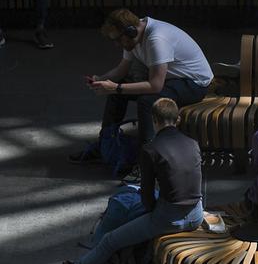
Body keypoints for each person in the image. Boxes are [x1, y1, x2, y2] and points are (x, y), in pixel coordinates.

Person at [37, 99, 204, 264]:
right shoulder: (193, 143)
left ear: (154, 120)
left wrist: (151, 211)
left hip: (168, 219)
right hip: (196, 214)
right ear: (178, 119)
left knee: (110, 240)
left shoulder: (151, 150)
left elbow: (147, 197)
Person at [71, 9, 213, 161]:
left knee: (146, 101)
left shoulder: (156, 39)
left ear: (131, 32)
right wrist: (102, 80)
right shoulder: (132, 37)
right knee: (116, 94)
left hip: (195, 83)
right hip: (171, 79)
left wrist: (117, 87)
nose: (117, 45)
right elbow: (121, 70)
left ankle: (146, 160)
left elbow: (155, 86)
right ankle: (105, 144)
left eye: (118, 40)